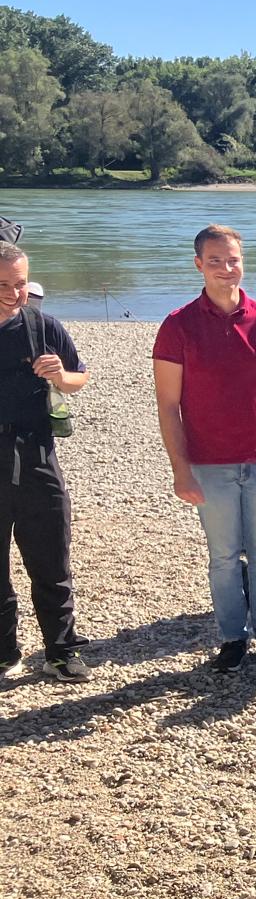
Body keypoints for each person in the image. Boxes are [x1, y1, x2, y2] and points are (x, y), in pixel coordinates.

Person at [153, 225, 256, 673]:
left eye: (233, 260)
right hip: (209, 464)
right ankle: (232, 639)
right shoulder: (177, 326)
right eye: (215, 261)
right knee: (224, 557)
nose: (226, 269)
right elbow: (168, 405)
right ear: (198, 265)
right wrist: (180, 470)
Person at [0, 242, 91, 683]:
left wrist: (60, 375)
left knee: (52, 559)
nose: (14, 293)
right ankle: (4, 653)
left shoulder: (43, 325)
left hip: (36, 454)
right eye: (3, 284)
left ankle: (61, 651)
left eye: (20, 283)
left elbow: (79, 377)